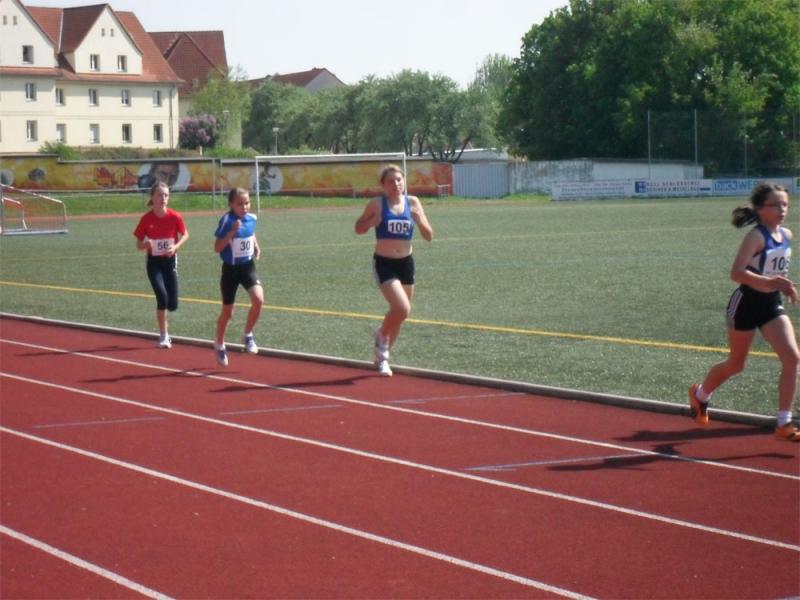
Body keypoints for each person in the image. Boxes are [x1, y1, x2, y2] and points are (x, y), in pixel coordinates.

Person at [689, 182, 799, 442]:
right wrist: (772, 281)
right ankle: (700, 394)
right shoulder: (755, 237)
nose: (782, 209)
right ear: (761, 209)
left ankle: (784, 423)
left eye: (785, 204)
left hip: (770, 304)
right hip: (745, 304)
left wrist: (785, 286)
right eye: (775, 205)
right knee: (736, 364)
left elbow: (776, 270)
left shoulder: (787, 235)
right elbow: (736, 273)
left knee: (793, 358)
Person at [354, 164, 434, 376]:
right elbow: (358, 228)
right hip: (384, 263)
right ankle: (381, 336)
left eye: (399, 180)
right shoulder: (377, 204)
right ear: (383, 185)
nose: (396, 184)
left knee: (399, 315)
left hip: (406, 263)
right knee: (402, 308)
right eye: (391, 181)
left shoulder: (413, 202)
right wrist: (372, 221)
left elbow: (429, 236)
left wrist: (419, 220)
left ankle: (382, 358)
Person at [133, 181, 189, 348]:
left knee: (173, 305)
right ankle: (164, 335)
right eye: (159, 195)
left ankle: (165, 327)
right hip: (154, 263)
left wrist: (176, 246)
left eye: (166, 195)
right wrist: (146, 244)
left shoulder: (175, 217)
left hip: (170, 262)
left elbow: (185, 234)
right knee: (162, 298)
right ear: (152, 197)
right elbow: (138, 244)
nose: (163, 198)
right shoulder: (146, 219)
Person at [213, 187, 264, 367]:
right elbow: (217, 248)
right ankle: (219, 344)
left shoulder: (252, 219)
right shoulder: (227, 221)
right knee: (228, 312)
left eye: (247, 203)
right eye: (240, 204)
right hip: (230, 270)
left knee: (258, 300)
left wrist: (256, 246)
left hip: (247, 267)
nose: (244, 207)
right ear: (231, 204)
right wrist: (231, 232)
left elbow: (250, 232)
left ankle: (247, 334)